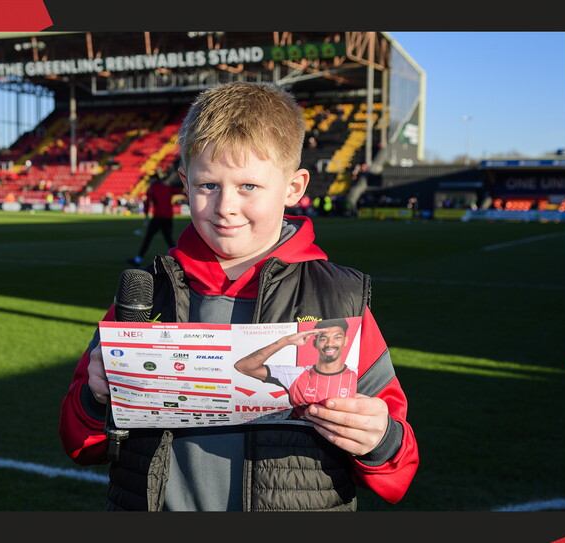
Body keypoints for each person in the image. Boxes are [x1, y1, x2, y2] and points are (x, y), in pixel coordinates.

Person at [60, 81, 418, 511]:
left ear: (293, 187)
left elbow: (398, 472)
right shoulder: (145, 297)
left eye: (248, 186)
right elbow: (78, 442)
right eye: (208, 185)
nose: (225, 206)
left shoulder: (339, 299)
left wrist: (379, 439)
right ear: (185, 183)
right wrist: (95, 396)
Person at [234, 318, 358, 419]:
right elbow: (243, 366)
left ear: (345, 340)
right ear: (315, 343)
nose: (330, 344)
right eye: (323, 339)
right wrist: (285, 341)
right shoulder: (295, 375)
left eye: (337, 337)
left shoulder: (356, 374)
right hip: (294, 437)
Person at [126, 167, 185, 266]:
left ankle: (138, 259)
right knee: (169, 240)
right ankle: (181, 260)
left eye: (150, 179)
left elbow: (148, 202)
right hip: (168, 217)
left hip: (158, 217)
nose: (149, 181)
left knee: (148, 238)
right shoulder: (166, 187)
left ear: (154, 179)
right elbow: (180, 191)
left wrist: (146, 215)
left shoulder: (152, 189)